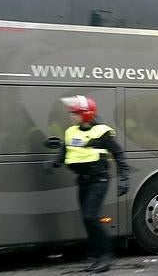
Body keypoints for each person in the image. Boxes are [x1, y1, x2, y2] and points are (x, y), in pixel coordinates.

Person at [52, 95, 130, 273]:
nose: (72, 116)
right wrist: (53, 162)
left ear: (86, 114)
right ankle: (98, 255)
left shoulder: (102, 133)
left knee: (90, 217)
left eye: (76, 113)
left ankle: (105, 256)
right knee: (87, 221)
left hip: (98, 180)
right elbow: (65, 152)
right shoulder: (71, 131)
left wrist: (124, 178)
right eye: (72, 113)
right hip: (82, 181)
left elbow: (119, 154)